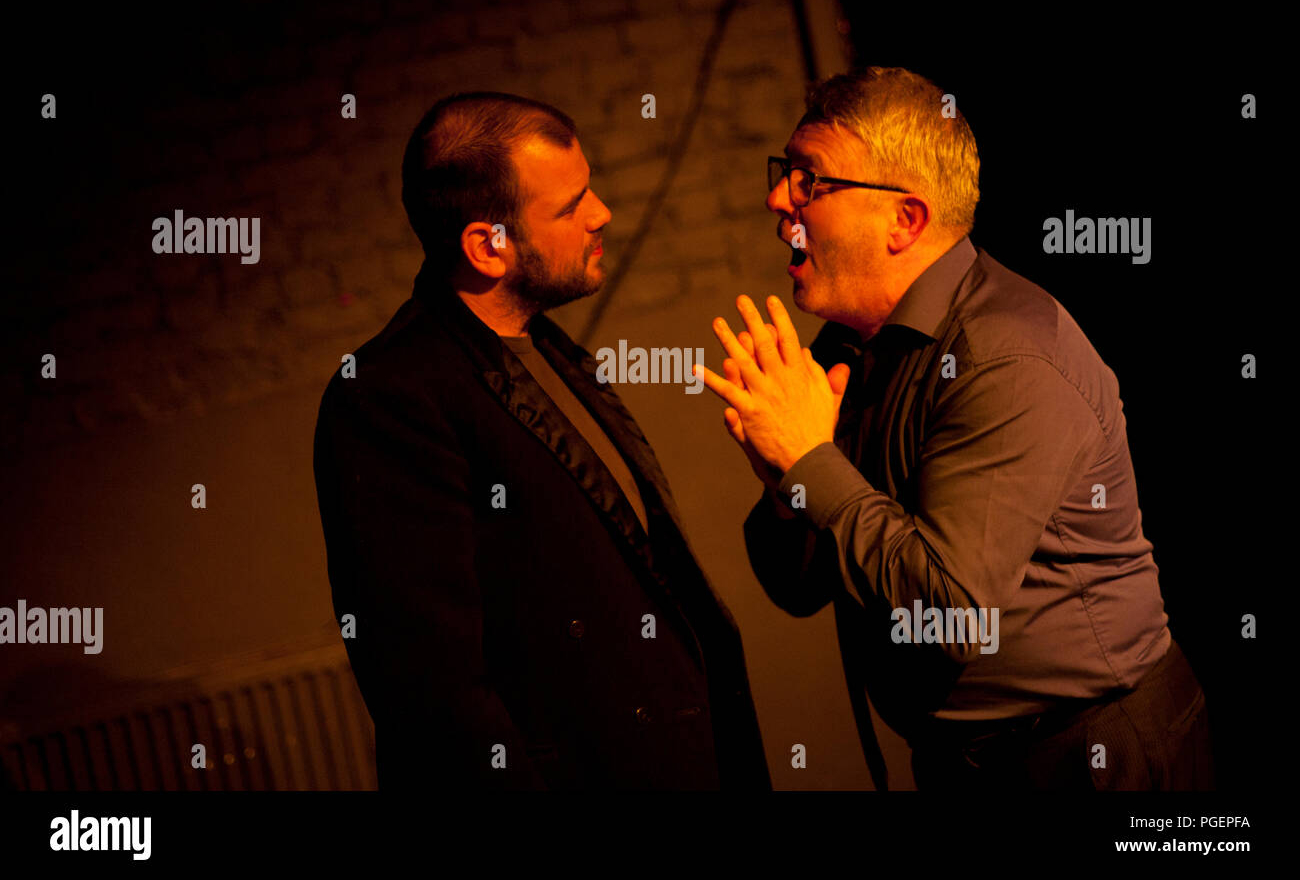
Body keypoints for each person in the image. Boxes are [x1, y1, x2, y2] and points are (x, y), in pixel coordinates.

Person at [694, 67, 1212, 790]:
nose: (778, 197)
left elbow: (953, 613)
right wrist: (785, 480)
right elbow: (798, 585)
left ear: (904, 219)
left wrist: (810, 458)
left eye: (811, 179)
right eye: (787, 174)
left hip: (1090, 755)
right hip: (962, 764)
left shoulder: (1005, 353)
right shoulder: (848, 349)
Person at [312, 92, 770, 790]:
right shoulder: (388, 398)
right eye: (570, 205)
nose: (602, 214)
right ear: (485, 246)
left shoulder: (548, 348)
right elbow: (435, 695)